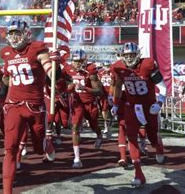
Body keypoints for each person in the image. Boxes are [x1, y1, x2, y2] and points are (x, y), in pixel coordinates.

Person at [0, 20, 60, 194]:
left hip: (35, 106)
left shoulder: (37, 48)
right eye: (10, 33)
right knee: (10, 148)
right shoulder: (6, 52)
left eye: (16, 33)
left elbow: (52, 74)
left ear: (26, 34)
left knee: (38, 148)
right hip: (13, 104)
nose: (13, 37)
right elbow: (7, 78)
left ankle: (46, 144)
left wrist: (56, 65)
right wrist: (3, 95)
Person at [110, 42, 166, 187]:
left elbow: (162, 86)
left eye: (132, 55)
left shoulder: (147, 65)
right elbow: (117, 86)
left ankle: (157, 144)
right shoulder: (118, 67)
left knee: (152, 137)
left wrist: (159, 103)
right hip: (131, 106)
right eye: (126, 55)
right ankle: (138, 173)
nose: (129, 58)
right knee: (132, 136)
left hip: (149, 106)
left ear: (138, 55)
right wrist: (116, 104)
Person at [64, 49, 103, 168]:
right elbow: (62, 83)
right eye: (75, 61)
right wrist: (67, 88)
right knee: (75, 127)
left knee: (93, 125)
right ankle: (77, 158)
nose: (76, 64)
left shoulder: (90, 70)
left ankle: (99, 134)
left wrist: (85, 88)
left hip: (90, 102)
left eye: (79, 61)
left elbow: (99, 91)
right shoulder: (68, 69)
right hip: (77, 102)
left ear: (84, 61)